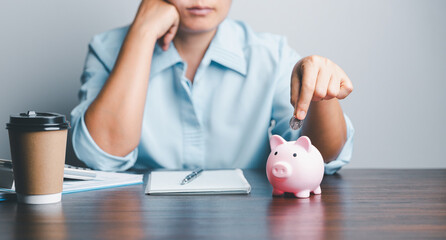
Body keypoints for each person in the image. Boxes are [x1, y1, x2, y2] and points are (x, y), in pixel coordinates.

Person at [70, 0, 354, 174]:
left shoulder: (271, 54)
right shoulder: (107, 50)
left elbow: (320, 156)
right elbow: (101, 155)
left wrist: (322, 95)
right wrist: (143, 31)